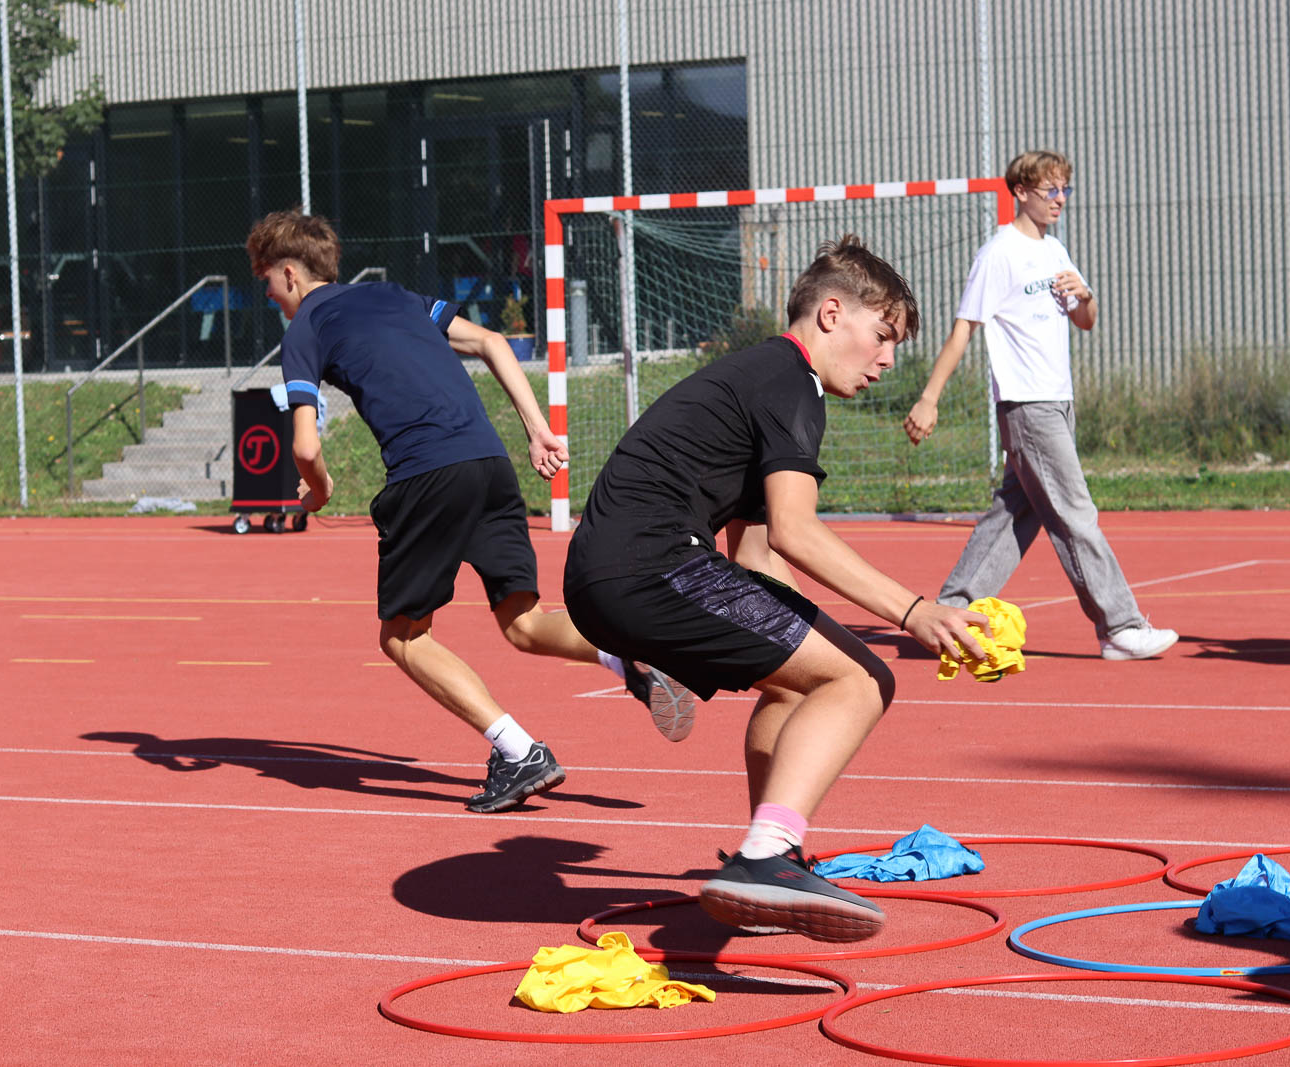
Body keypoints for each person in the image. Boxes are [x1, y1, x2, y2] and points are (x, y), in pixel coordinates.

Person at [562, 235, 991, 943]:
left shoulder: (757, 377)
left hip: (609, 572)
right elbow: (797, 531)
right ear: (832, 314)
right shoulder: (791, 381)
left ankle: (764, 866)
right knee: (863, 680)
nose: (889, 358)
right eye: (883, 335)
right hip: (652, 565)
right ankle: (767, 857)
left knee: (802, 683)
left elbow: (758, 553)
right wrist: (915, 611)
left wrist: (824, 642)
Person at [245, 209, 694, 815]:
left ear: (289, 274)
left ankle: (519, 751)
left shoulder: (304, 328)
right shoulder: (394, 296)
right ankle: (627, 653)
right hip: (489, 463)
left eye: (267, 283)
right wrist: (538, 430)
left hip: (426, 474)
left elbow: (304, 446)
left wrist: (318, 492)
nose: (269, 297)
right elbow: (491, 342)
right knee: (523, 622)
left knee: (404, 637)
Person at [902, 150, 1177, 661]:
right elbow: (964, 328)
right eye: (1051, 190)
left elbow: (1085, 320)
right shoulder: (998, 254)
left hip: (1058, 400)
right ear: (1021, 192)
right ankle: (1120, 626)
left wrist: (1085, 295)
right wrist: (929, 397)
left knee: (1015, 513)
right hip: (1027, 406)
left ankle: (950, 612)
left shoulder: (1055, 250)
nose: (1060, 199)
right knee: (1076, 513)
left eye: (1065, 189)